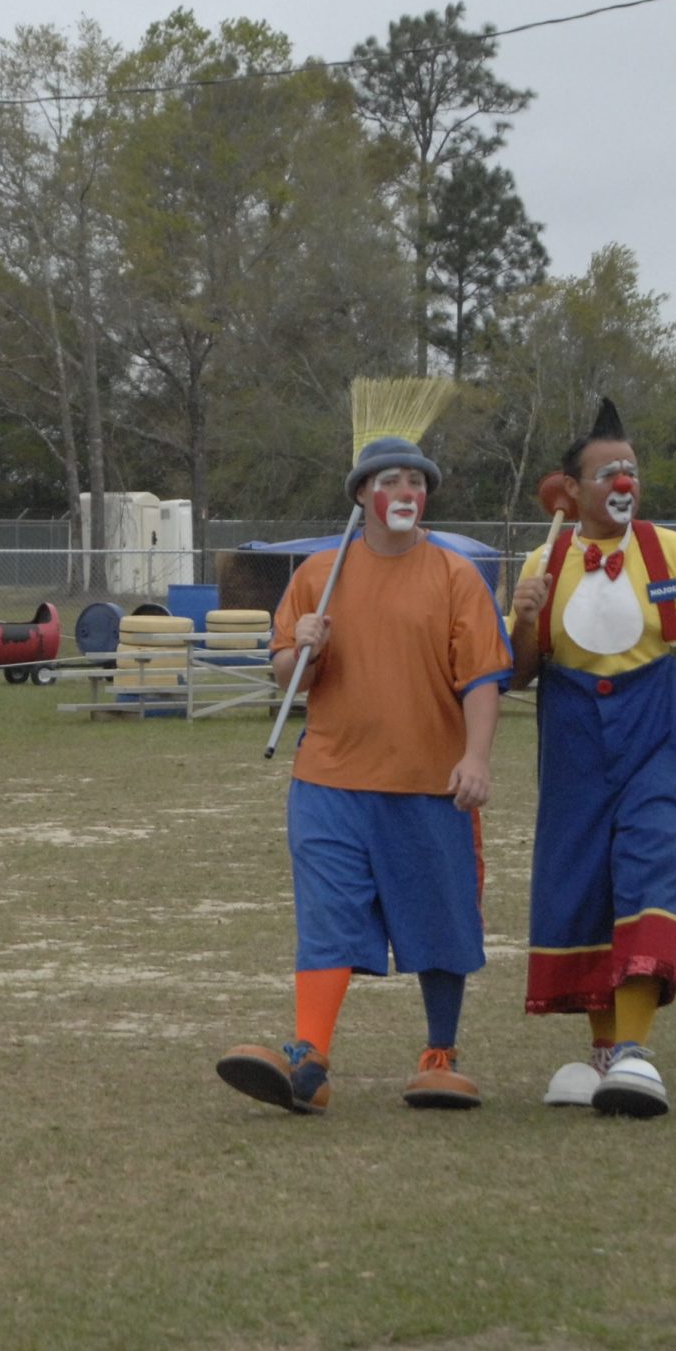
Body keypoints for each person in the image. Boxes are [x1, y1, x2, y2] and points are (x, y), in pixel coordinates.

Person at [217, 436, 514, 1114]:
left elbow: (483, 681)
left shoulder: (454, 576)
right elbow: (288, 678)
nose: (407, 491)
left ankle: (440, 1055)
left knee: (442, 918)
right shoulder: (319, 576)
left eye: (417, 480)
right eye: (392, 480)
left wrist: (476, 756)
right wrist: (308, 650)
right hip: (328, 782)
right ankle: (308, 1059)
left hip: (430, 785)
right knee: (328, 916)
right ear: (362, 496)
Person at [507, 399, 676, 1118]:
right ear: (568, 490)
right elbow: (516, 675)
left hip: (662, 735)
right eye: (607, 470)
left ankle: (635, 1048)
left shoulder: (675, 556)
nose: (624, 480)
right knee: (585, 884)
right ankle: (603, 1056)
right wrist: (521, 617)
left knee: (653, 869)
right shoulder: (541, 563)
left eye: (631, 469)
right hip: (575, 739)